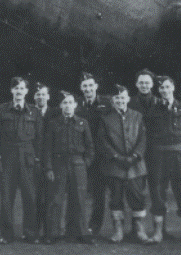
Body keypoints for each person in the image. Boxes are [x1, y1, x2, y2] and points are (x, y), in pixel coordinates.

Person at [145, 76, 181, 244]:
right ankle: (158, 232)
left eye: (167, 87)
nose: (165, 90)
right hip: (159, 156)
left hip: (180, 155)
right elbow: (149, 135)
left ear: (173, 87)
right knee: (158, 192)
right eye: (161, 88)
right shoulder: (153, 110)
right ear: (158, 91)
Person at [0, 77, 43, 244]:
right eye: (16, 88)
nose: (19, 91)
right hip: (8, 158)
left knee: (30, 197)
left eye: (22, 88)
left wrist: (36, 159)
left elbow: (40, 139)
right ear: (11, 91)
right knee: (6, 198)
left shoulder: (34, 112)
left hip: (27, 158)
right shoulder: (1, 111)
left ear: (27, 91)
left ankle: (30, 233)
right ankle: (6, 234)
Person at [99, 84, 151, 244]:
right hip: (115, 166)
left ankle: (139, 229)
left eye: (123, 97)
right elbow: (103, 142)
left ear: (128, 98)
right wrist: (116, 157)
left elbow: (143, 139)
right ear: (112, 101)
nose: (120, 101)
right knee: (115, 198)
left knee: (138, 197)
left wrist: (135, 155)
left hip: (135, 166)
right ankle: (118, 229)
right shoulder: (106, 119)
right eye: (117, 98)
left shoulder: (137, 116)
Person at [44, 91, 95, 244]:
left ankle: (80, 232)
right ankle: (53, 233)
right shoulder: (54, 123)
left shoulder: (82, 123)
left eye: (70, 102)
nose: (67, 105)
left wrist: (85, 163)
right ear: (60, 106)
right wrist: (48, 168)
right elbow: (47, 148)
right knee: (56, 199)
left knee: (79, 199)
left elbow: (90, 146)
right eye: (64, 103)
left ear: (75, 105)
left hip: (78, 163)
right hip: (59, 163)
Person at [75, 72, 111, 237]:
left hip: (101, 156)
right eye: (85, 86)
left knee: (98, 194)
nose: (88, 89)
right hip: (83, 155)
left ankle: (94, 226)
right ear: (81, 88)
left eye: (91, 85)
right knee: (79, 191)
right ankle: (78, 225)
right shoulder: (77, 105)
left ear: (96, 86)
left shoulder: (107, 103)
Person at [32, 82, 59, 240]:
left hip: (52, 161)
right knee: (35, 197)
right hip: (34, 160)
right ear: (34, 97)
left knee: (51, 197)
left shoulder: (56, 113)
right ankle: (35, 230)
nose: (41, 97)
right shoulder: (29, 112)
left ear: (48, 96)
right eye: (38, 95)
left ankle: (50, 231)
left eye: (43, 94)